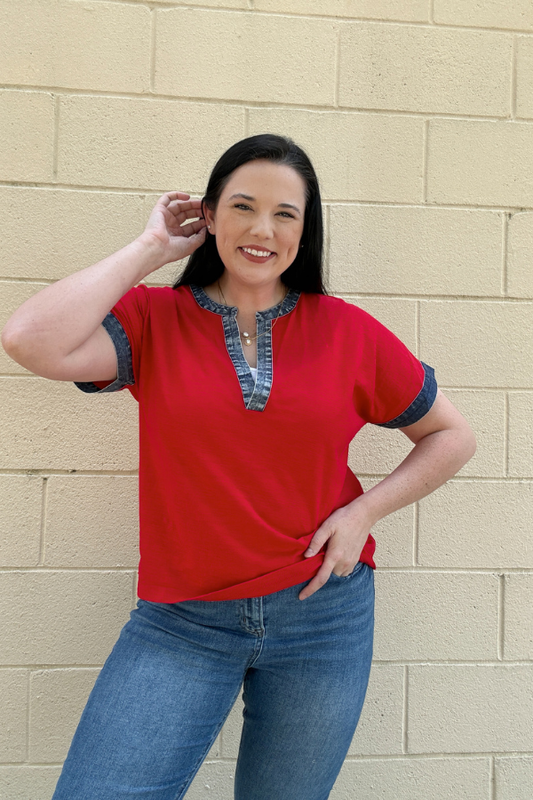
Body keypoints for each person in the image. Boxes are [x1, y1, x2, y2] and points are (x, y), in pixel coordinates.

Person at [2, 134, 476, 800]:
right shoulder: (152, 320)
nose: (262, 229)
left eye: (285, 213)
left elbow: (450, 435)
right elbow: (30, 340)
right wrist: (150, 250)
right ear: (210, 215)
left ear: (304, 231)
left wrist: (363, 511)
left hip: (323, 615)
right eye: (242, 206)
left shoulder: (346, 330)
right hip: (183, 622)